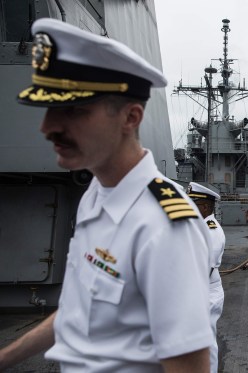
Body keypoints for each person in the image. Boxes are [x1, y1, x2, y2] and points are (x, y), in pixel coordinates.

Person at [0, 19, 213, 372]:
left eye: (73, 110)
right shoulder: (95, 195)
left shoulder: (163, 225)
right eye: (48, 108)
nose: (47, 127)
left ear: (131, 117)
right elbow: (75, 311)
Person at [187, 182, 226, 373]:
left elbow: (204, 268)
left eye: (192, 203)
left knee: (206, 343)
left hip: (206, 291)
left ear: (203, 206)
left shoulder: (211, 231)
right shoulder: (198, 226)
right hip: (199, 289)